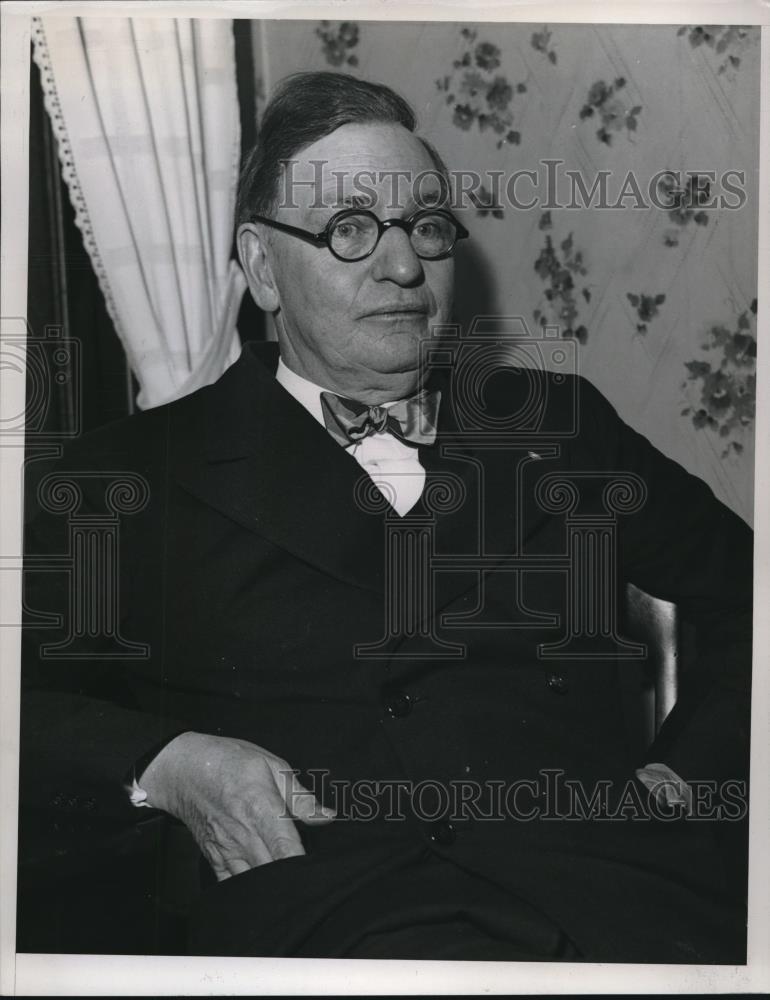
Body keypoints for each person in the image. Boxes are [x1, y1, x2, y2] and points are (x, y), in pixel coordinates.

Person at [21, 71, 753, 962]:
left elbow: (749, 592)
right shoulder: (126, 474)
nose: (405, 267)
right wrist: (165, 761)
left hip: (618, 912)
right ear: (261, 267)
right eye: (350, 228)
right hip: (330, 932)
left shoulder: (556, 422)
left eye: (428, 227)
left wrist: (687, 774)